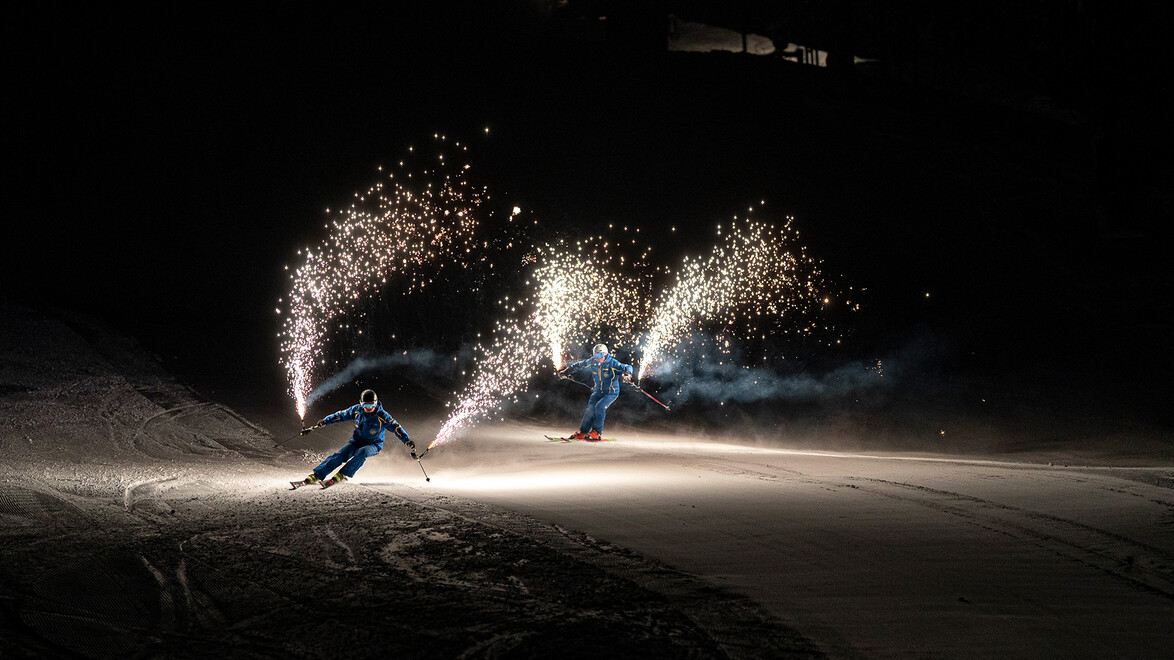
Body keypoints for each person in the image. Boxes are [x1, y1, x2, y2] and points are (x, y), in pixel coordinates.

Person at [292, 389, 414, 489]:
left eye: (372, 404)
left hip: (374, 444)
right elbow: (341, 415)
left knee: (362, 452)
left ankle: (342, 474)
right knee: (341, 455)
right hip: (356, 441)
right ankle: (317, 475)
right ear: (361, 403)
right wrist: (325, 421)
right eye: (366, 405)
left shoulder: (382, 416)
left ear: (376, 403)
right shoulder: (356, 410)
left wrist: (406, 440)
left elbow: (395, 427)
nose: (369, 407)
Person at [559, 343, 633, 440]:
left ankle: (597, 432)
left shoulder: (613, 363)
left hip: (611, 393)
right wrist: (568, 370)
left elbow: (627, 367)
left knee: (600, 407)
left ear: (605, 354)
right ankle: (583, 431)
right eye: (595, 355)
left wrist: (628, 374)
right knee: (590, 409)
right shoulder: (593, 361)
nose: (598, 358)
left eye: (600, 355)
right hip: (597, 391)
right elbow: (580, 364)